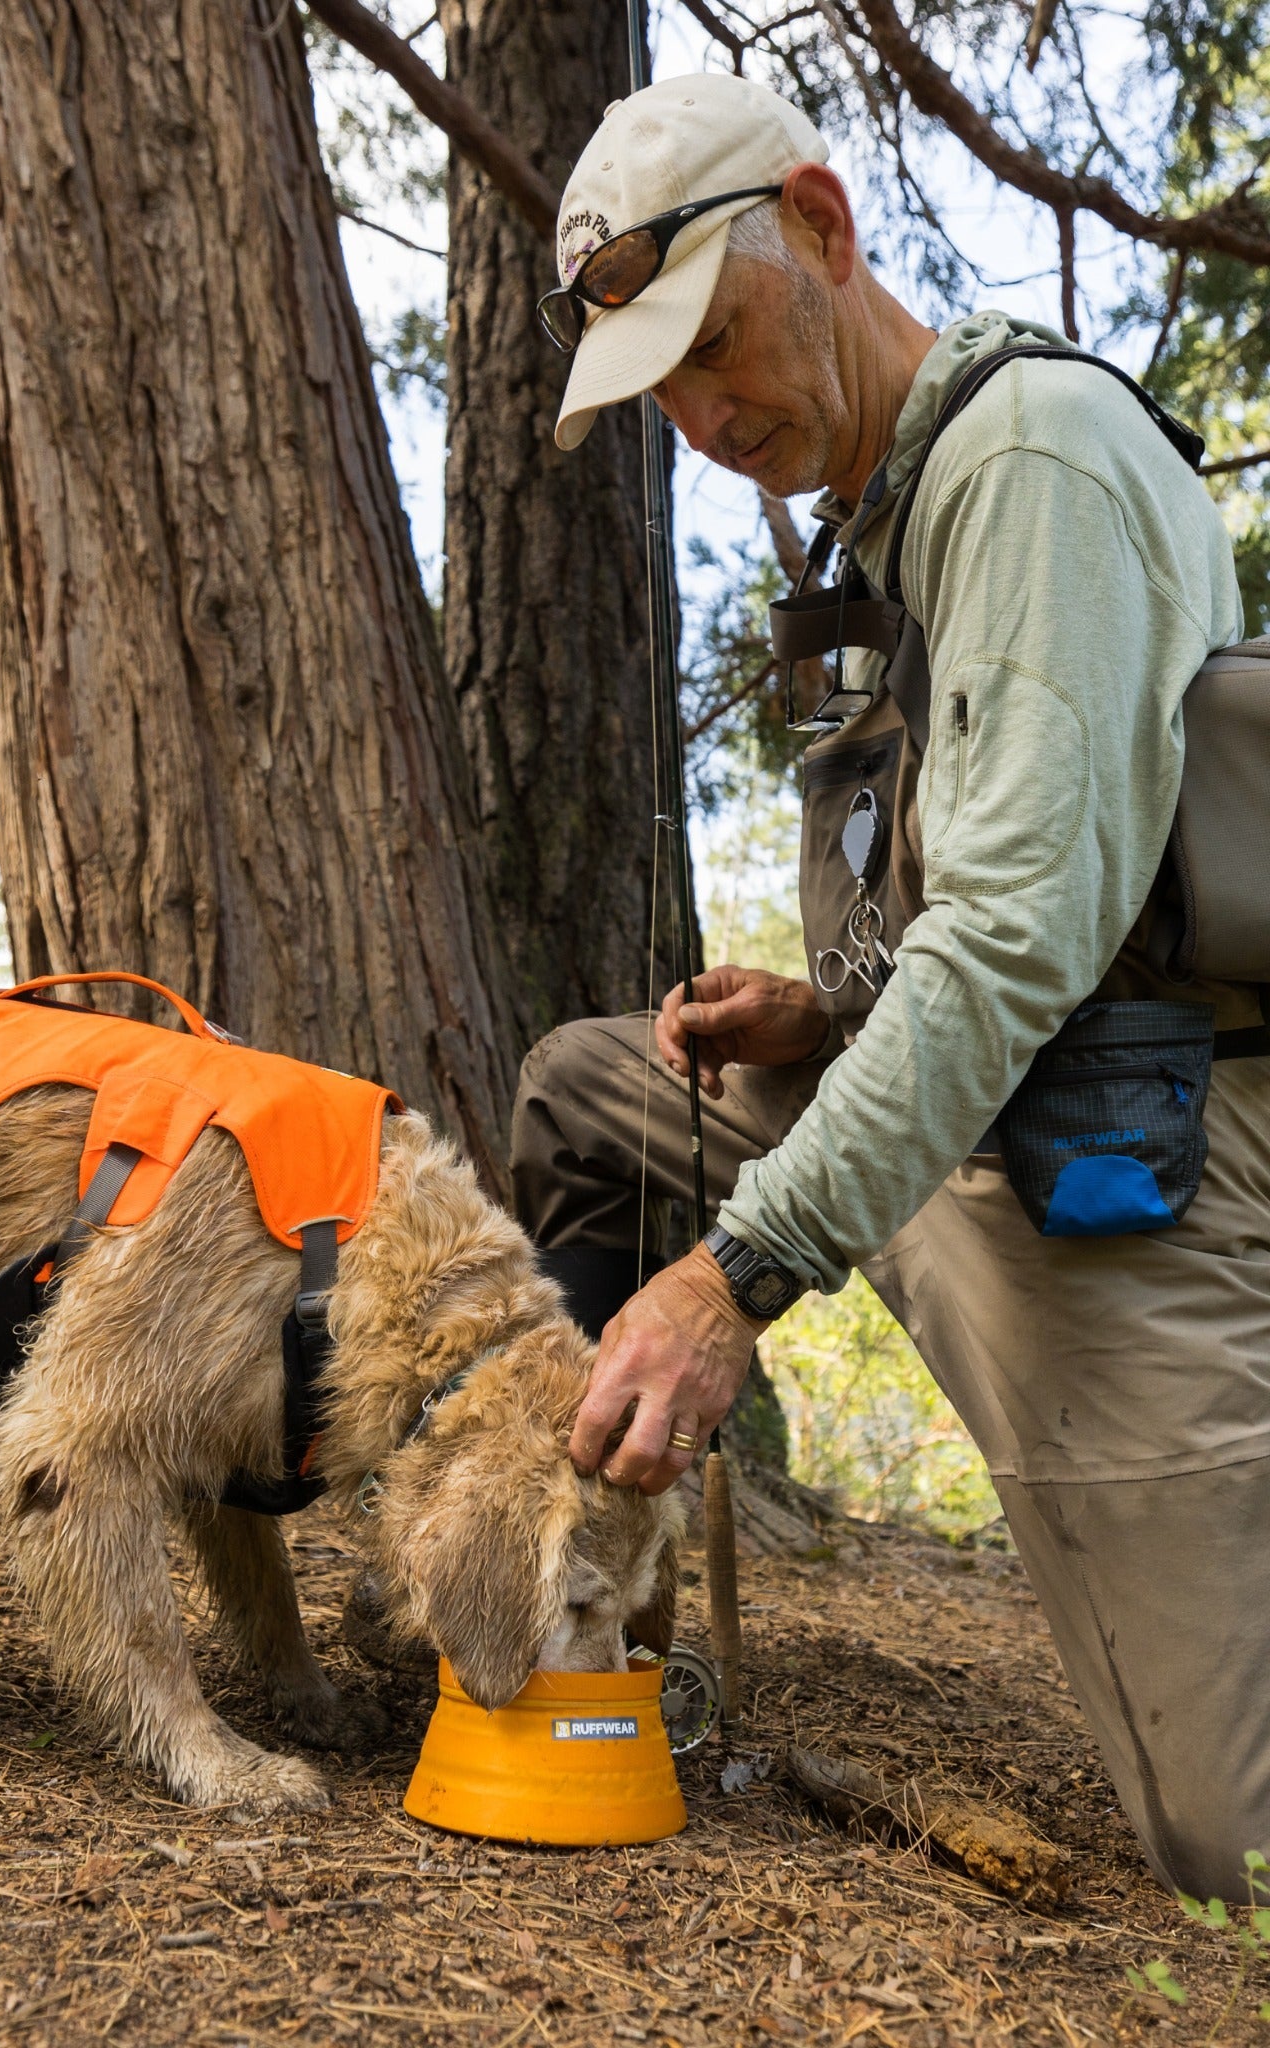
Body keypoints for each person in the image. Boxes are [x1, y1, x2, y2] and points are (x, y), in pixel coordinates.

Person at [517, 71, 1270, 1899]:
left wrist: (733, 1280)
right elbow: (1017, 888)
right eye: (661, 392)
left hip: (1136, 1159)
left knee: (1236, 1857)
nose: (700, 419)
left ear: (828, 229)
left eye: (717, 347)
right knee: (586, 1089)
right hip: (1004, 1089)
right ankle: (544, 1591)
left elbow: (1017, 945)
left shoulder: (1026, 464)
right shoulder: (902, 498)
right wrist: (830, 1012)